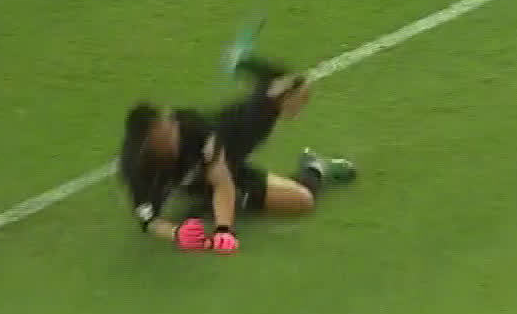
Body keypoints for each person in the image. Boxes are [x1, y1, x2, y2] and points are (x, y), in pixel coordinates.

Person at [118, 54, 356, 253]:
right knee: (298, 201)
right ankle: (211, 201)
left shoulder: (190, 126)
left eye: (170, 129)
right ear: (148, 143)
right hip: (198, 179)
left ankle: (314, 166)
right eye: (164, 136)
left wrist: (224, 229)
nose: (173, 136)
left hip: (227, 143)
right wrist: (177, 233)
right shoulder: (135, 167)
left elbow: (222, 180)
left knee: (294, 90)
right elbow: (149, 220)